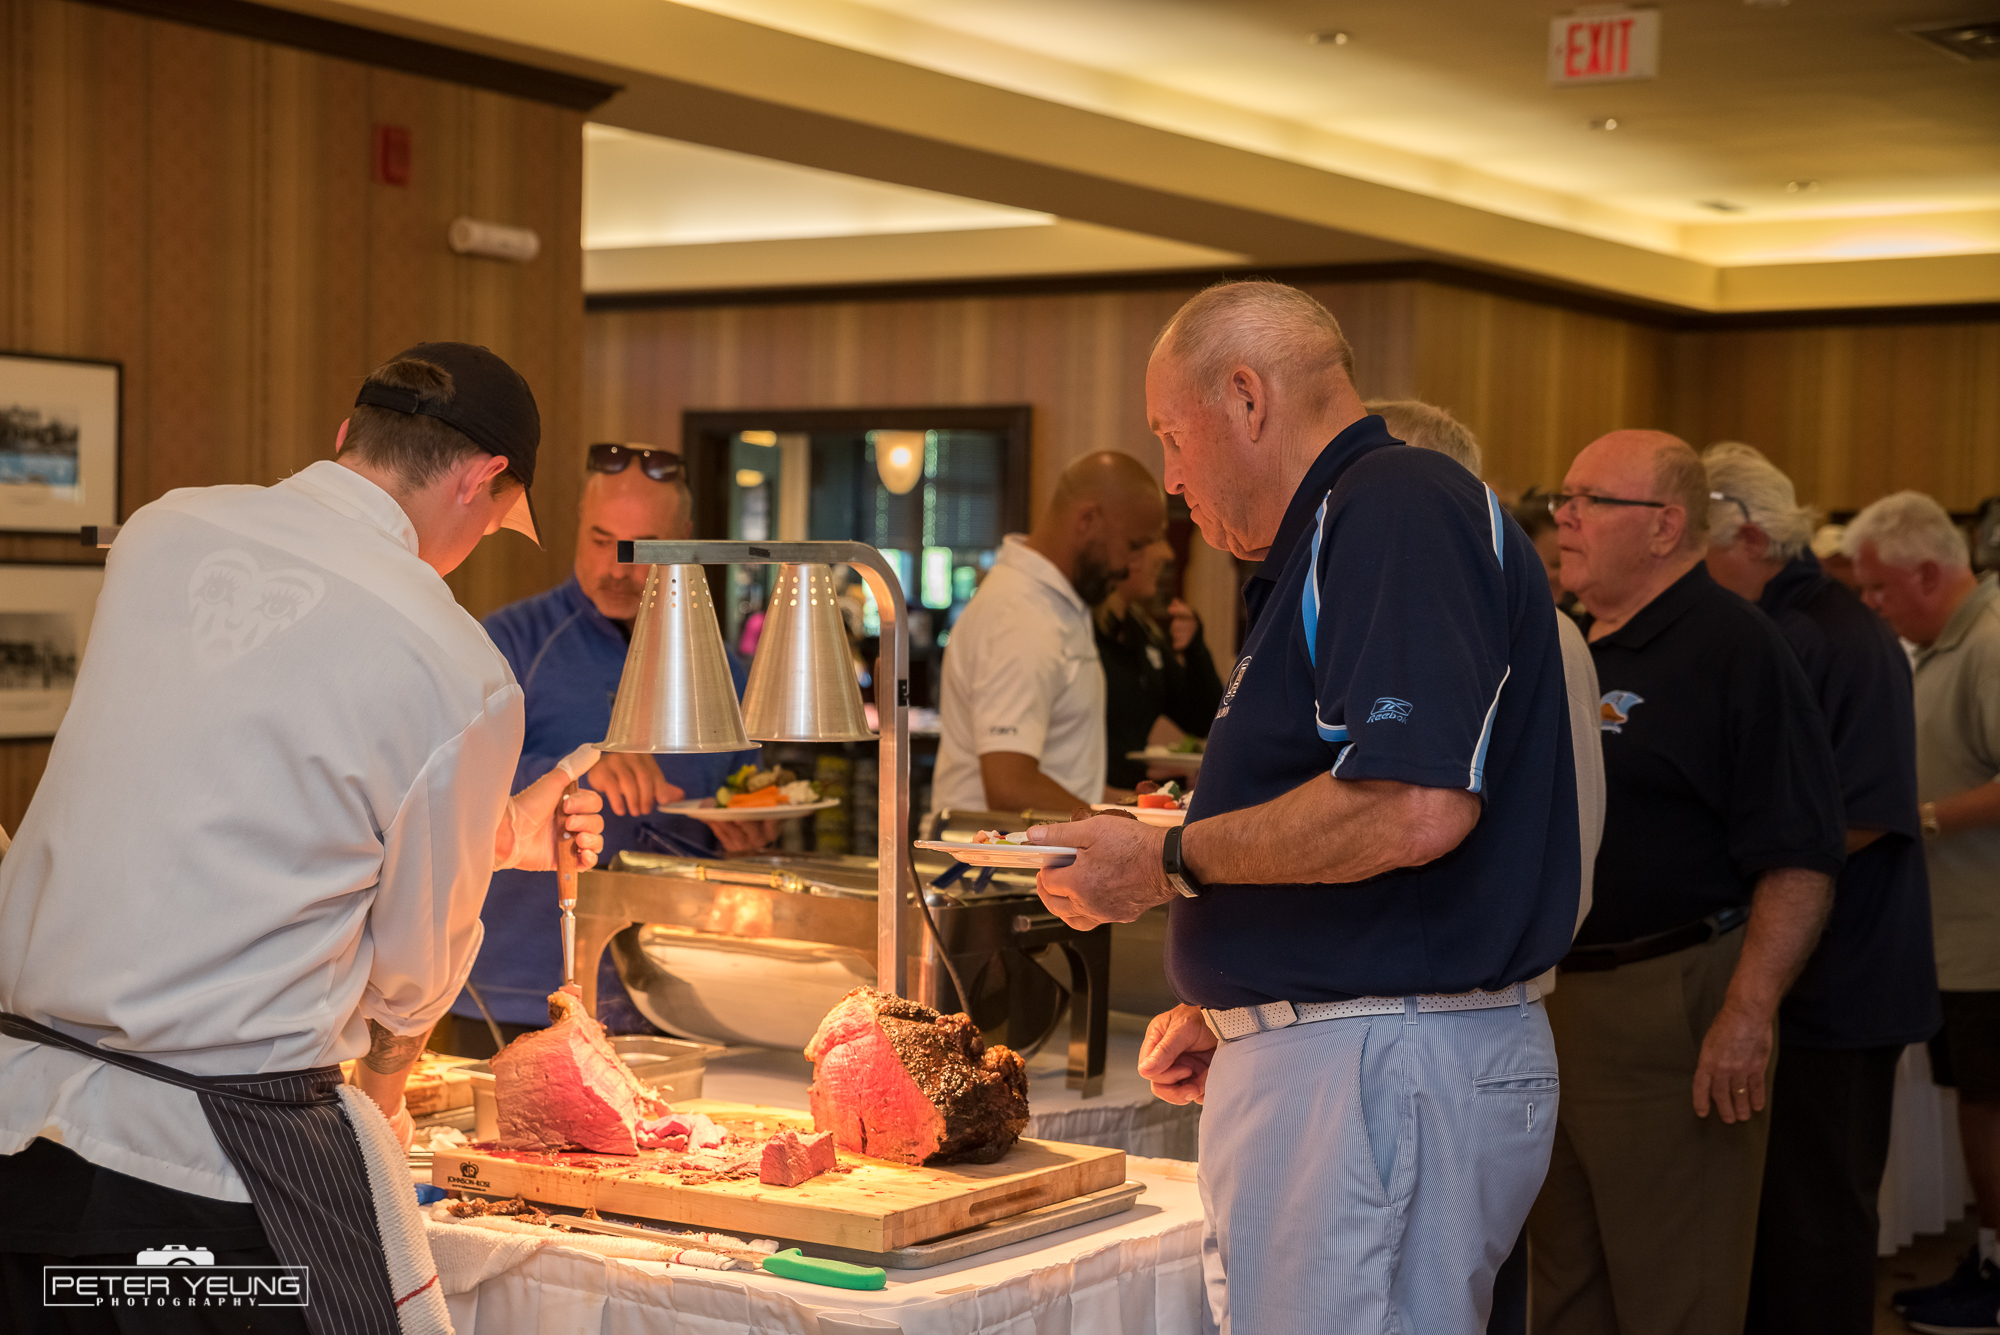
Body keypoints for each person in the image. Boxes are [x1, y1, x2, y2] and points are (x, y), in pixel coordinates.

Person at [0, 344, 607, 1334]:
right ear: (480, 480)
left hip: (25, 1136)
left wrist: (498, 830)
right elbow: (411, 977)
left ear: (346, 436)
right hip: (205, 1180)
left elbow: (225, 793)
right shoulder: (455, 662)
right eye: (495, 524)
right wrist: (387, 1095)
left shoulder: (161, 531)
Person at [1028, 281, 1581, 1331]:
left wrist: (1162, 863)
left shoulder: (1395, 503)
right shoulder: (1332, 531)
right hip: (1354, 1056)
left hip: (1376, 1067)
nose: (1170, 476)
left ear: (1246, 397)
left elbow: (1411, 806)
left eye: (1170, 434)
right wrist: (1246, 1005)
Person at [1526, 429, 1844, 1335]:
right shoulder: (1570, 642)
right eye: (1563, 497)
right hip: (1552, 1002)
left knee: (1677, 1296)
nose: (1564, 517)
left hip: (1671, 1004)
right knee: (1564, 1290)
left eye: (1591, 500)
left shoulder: (1737, 647)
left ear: (1666, 526)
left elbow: (1802, 854)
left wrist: (1747, 1014)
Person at [1701, 444, 1937, 1335]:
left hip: (1842, 977)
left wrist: (1727, 872)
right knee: (1776, 1217)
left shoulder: (1837, 634)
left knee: (1818, 1220)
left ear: (1750, 536)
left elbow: (1863, 814)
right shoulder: (1774, 622)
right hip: (1795, 965)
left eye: (1698, 547)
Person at [434, 443, 767, 1057]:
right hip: (517, 987)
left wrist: (749, 833)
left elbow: (746, 792)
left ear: (683, 541)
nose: (617, 567)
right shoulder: (506, 641)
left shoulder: (724, 670)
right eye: (599, 540)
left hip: (680, 998)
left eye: (640, 548)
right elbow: (442, 778)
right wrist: (570, 776)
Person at [1392, 395, 1607, 1335]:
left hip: (1452, 1022)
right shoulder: (1536, 621)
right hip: (1483, 1016)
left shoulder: (1478, 622)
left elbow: (1425, 823)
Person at [1842, 491, 2000, 1329]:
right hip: (1958, 931)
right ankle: (1989, 1256)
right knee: (1972, 1099)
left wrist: (1921, 816)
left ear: (1930, 573)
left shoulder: (1990, 642)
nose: (1871, 604)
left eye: (1879, 588)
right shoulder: (1943, 643)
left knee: (1988, 1105)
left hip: (1989, 935)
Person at [932, 451, 1166, 814]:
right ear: (1088, 520)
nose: (1131, 565)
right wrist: (1119, 828)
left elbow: (1069, 780)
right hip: (989, 851)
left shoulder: (1055, 604)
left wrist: (1143, 809)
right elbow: (1011, 789)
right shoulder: (1020, 615)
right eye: (1133, 546)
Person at [1096, 538, 1224, 790]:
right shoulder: (1082, 630)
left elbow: (1205, 720)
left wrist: (1195, 649)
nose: (1167, 553)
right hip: (1081, 799)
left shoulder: (1143, 634)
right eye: (1156, 538)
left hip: (1129, 797)